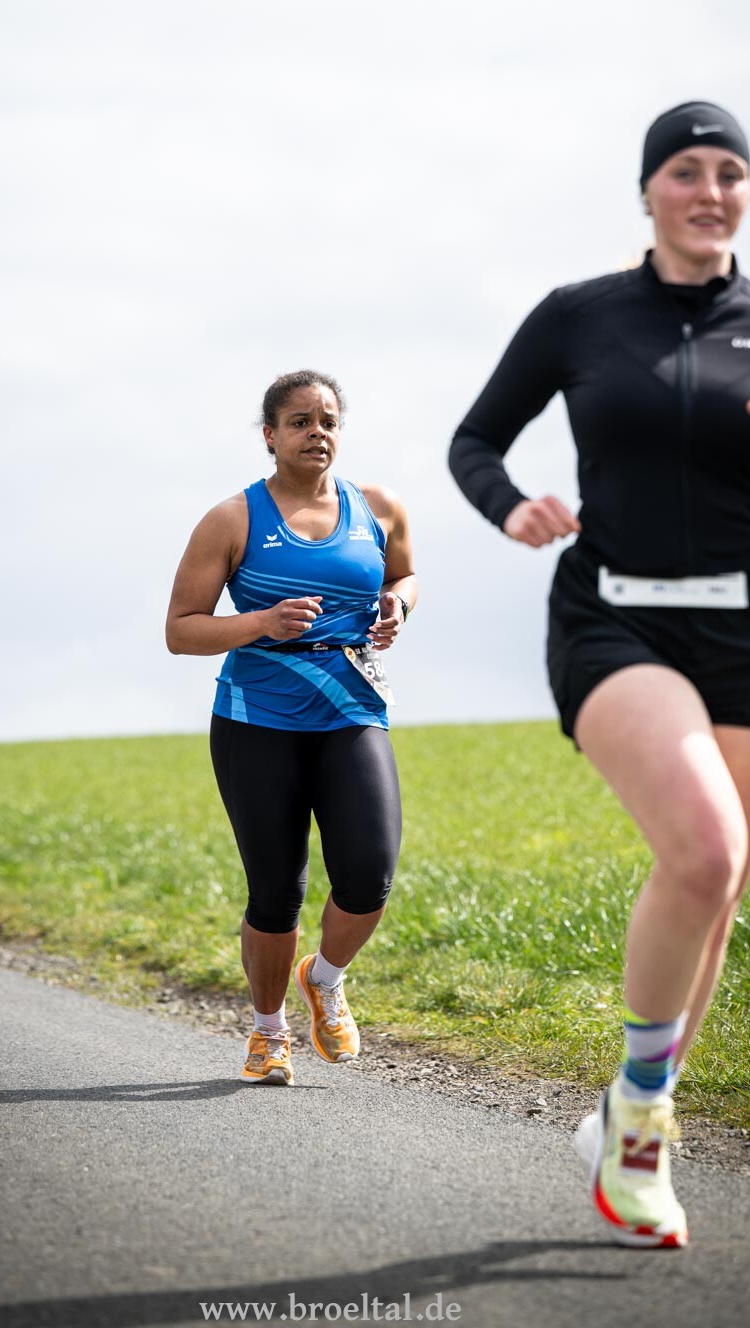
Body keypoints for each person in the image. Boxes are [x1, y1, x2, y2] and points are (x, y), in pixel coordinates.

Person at [448, 101, 750, 1247]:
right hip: (611, 619)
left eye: (728, 171)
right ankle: (638, 1126)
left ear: (746, 192)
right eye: (684, 170)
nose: (708, 190)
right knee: (706, 850)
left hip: (749, 632)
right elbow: (472, 441)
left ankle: (629, 1109)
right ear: (646, 190)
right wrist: (509, 506)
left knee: (712, 895)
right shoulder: (578, 315)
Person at [166, 371, 416, 1085]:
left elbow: (403, 577)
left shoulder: (378, 508)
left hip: (351, 710)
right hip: (257, 718)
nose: (317, 433)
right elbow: (180, 630)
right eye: (300, 421)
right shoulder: (232, 520)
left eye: (327, 420)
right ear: (270, 435)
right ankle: (267, 1031)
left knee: (369, 874)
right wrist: (262, 623)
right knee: (276, 892)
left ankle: (325, 979)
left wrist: (399, 605)